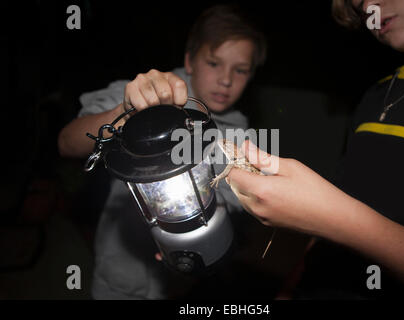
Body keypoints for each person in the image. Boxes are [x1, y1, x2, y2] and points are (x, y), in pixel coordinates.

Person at [226, 0, 404, 299]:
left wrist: (336, 219)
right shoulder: (375, 95)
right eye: (357, 2)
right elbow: (342, 206)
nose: (370, 5)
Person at [58, 4, 266, 299]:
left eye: (241, 70)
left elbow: (236, 207)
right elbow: (66, 143)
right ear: (190, 60)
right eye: (214, 63)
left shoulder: (240, 139)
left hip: (185, 284)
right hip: (119, 273)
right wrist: (126, 115)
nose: (226, 80)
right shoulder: (142, 93)